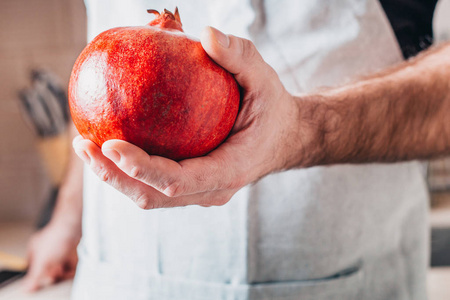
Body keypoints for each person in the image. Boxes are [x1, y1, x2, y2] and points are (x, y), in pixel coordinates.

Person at [25, 0, 450, 299]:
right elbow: (115, 110)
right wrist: (69, 216)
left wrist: (303, 129)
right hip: (123, 274)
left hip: (346, 280)